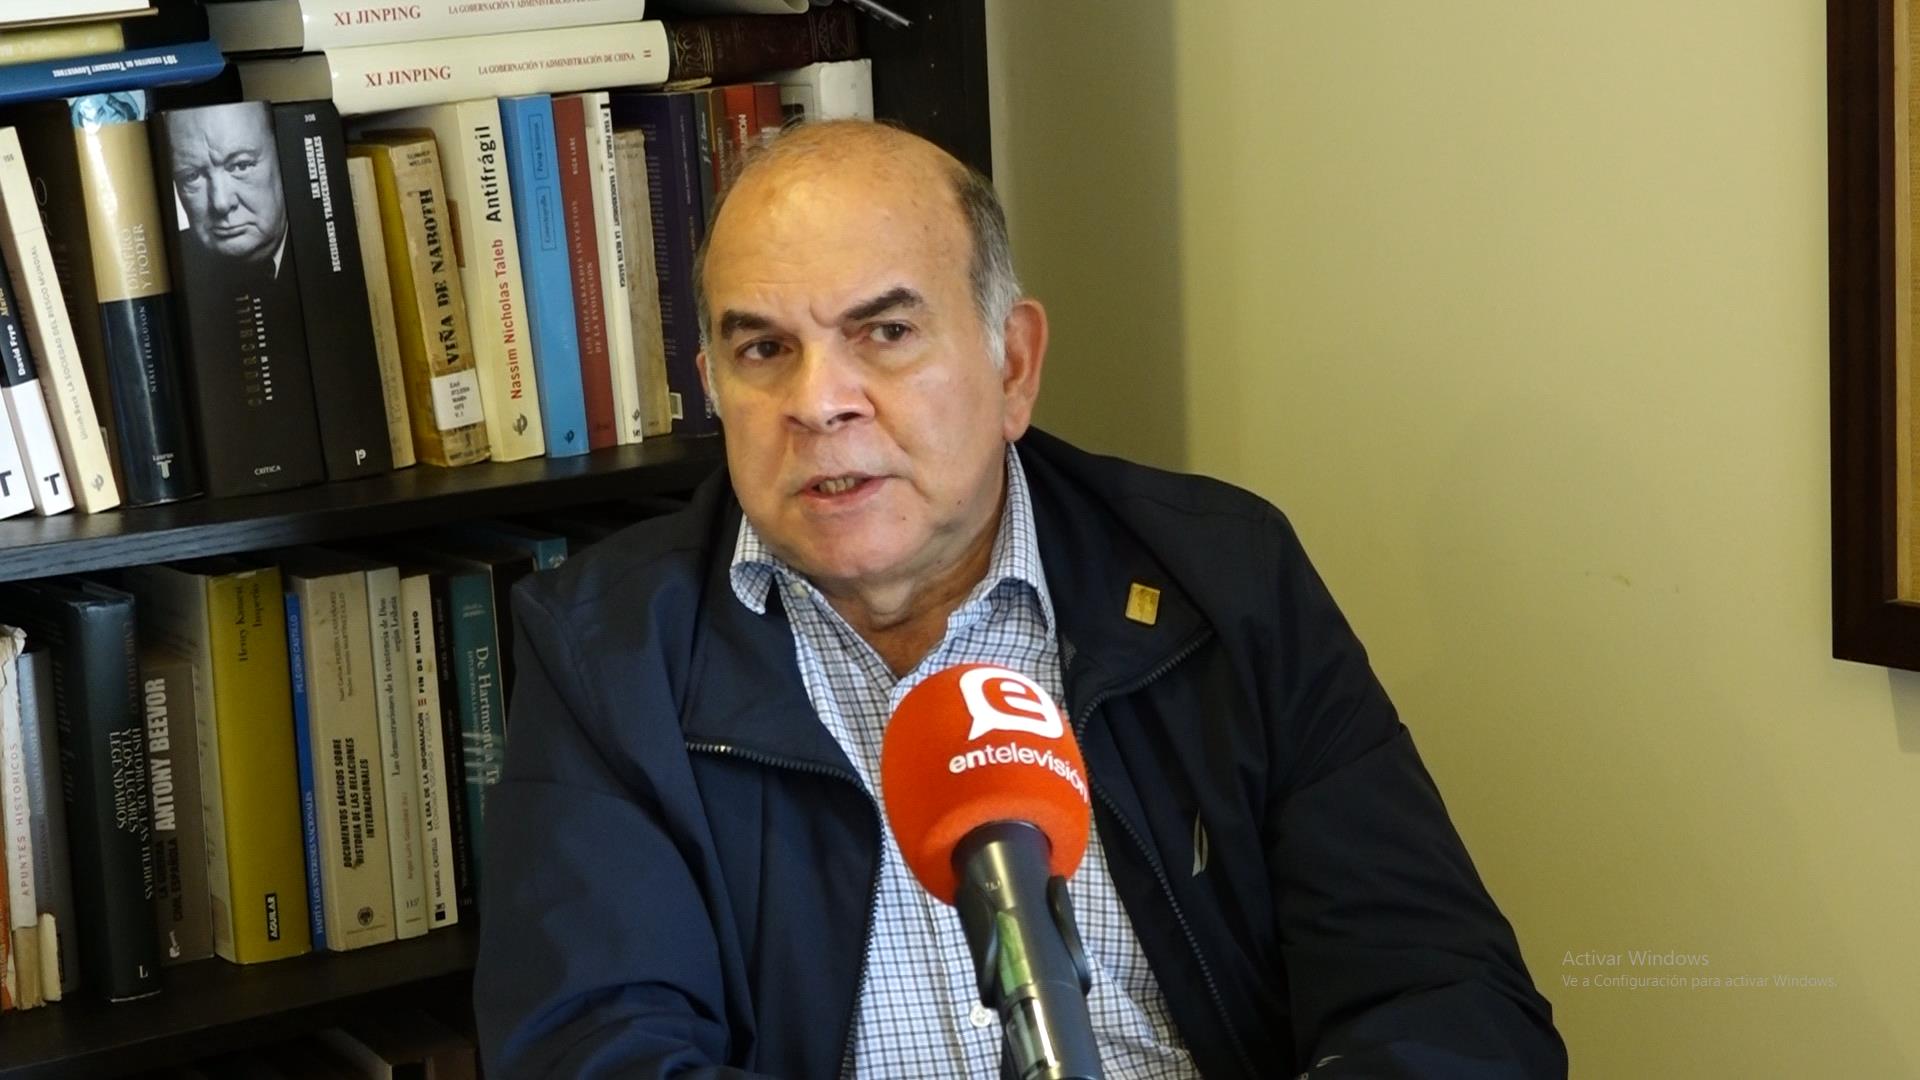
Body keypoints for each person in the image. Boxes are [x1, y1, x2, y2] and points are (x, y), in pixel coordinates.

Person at [474, 120, 1566, 1079]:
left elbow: (1448, 997)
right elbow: (589, 1050)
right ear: (714, 385)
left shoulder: (1226, 579)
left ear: (1013, 365)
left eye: (885, 334)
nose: (819, 402)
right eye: (763, 348)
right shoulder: (607, 653)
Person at [163, 101, 288, 281]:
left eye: (241, 165)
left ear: (282, 150)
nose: (220, 203)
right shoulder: (168, 266)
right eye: (192, 176)